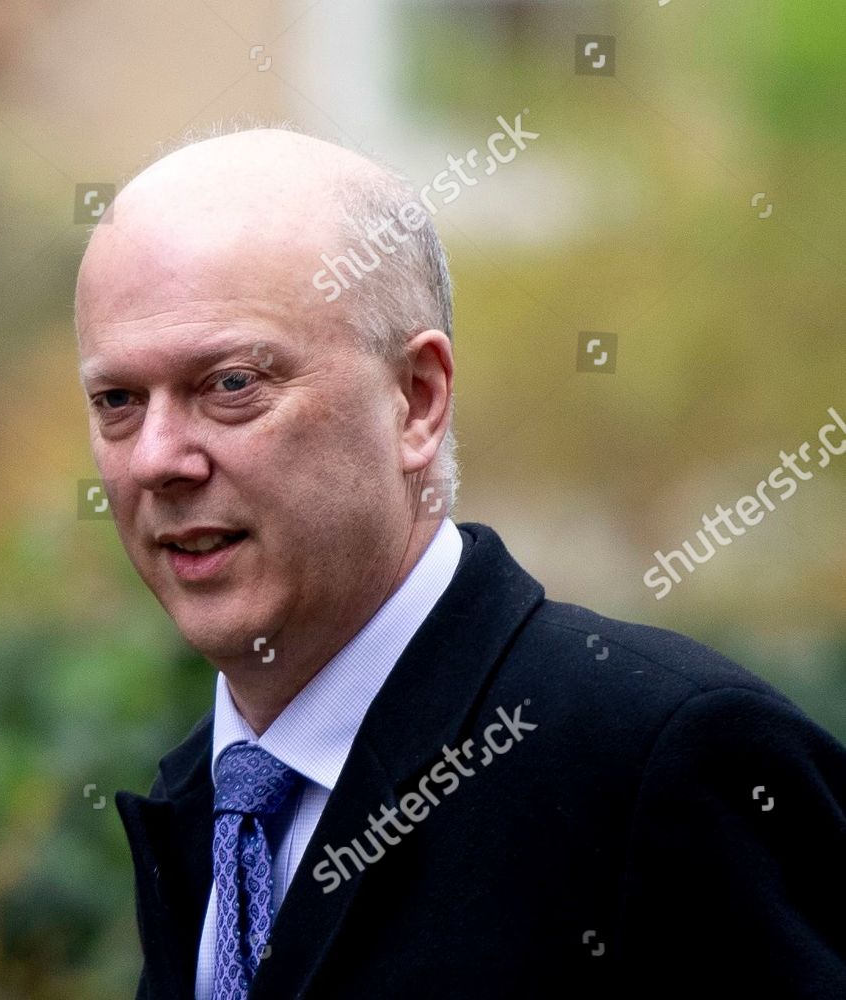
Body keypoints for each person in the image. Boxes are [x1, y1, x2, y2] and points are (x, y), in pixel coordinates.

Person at [71, 126, 846, 998]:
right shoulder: (203, 799)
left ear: (417, 400)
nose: (156, 459)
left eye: (231, 384)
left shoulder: (662, 763)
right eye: (118, 401)